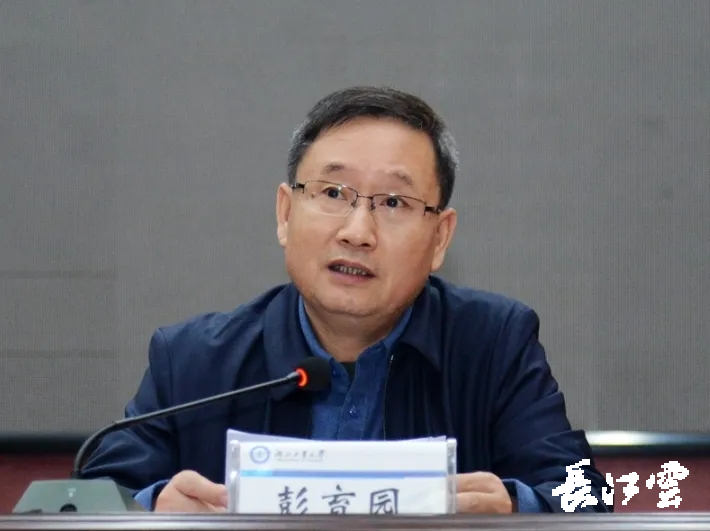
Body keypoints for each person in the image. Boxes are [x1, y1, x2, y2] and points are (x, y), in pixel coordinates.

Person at [81, 86, 612, 514]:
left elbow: (585, 495)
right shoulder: (193, 360)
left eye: (394, 202)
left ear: (440, 238)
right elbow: (84, 502)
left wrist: (515, 507)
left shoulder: (495, 344)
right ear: (285, 214)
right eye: (333, 193)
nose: (358, 232)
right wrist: (153, 509)